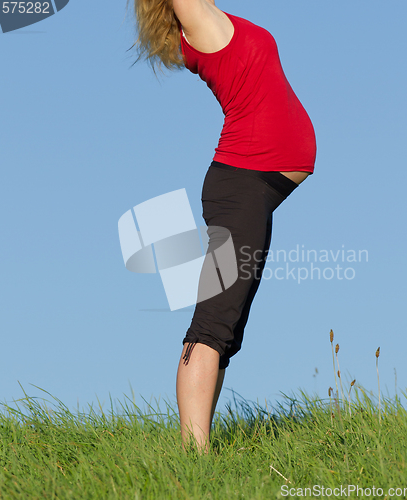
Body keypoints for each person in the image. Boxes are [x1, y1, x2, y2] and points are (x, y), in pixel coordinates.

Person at [130, 0, 317, 452]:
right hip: (240, 185)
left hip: (252, 189)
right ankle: (193, 457)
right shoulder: (202, 22)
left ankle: (200, 449)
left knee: (227, 330)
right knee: (212, 324)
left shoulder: (213, 19)